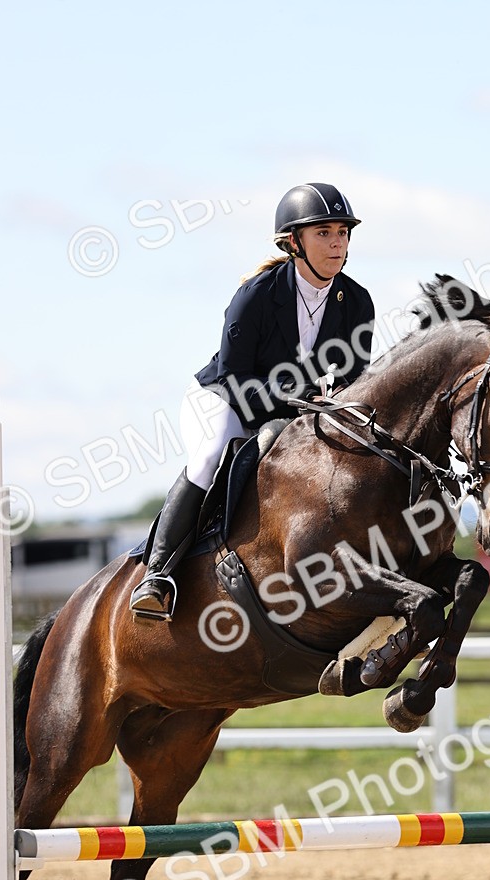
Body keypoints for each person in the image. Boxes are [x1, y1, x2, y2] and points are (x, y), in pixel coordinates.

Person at [130, 182, 375, 621]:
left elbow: (353, 381)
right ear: (293, 242)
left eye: (342, 232)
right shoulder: (257, 295)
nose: (337, 242)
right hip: (224, 398)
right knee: (210, 456)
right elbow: (234, 376)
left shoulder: (355, 302)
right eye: (323, 233)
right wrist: (300, 399)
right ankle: (157, 575)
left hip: (289, 409)